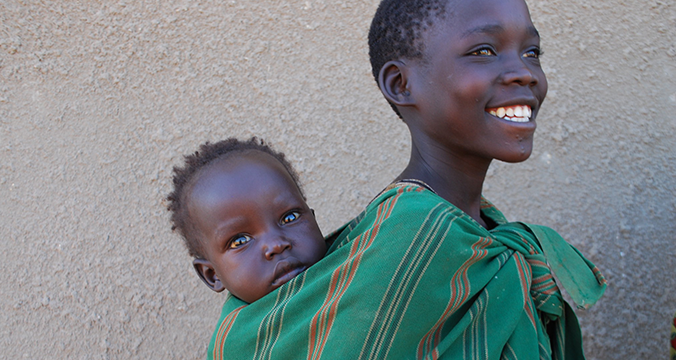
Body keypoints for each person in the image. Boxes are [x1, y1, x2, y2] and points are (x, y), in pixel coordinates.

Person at [203, 0, 607, 358]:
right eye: (484, 50)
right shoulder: (413, 238)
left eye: (531, 51)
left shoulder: (472, 229)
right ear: (401, 84)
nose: (524, 72)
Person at [166, 137, 327, 304]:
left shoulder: (353, 264)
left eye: (290, 217)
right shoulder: (244, 330)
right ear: (212, 274)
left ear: (314, 220)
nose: (276, 245)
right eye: (240, 241)